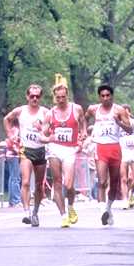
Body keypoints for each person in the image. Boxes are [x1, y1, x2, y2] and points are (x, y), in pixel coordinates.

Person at [3, 84, 51, 226]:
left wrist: (42, 129)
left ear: (40, 97)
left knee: (38, 185)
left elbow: (51, 129)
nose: (34, 99)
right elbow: (6, 119)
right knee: (25, 181)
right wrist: (10, 134)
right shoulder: (20, 111)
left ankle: (35, 212)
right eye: (32, 96)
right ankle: (26, 212)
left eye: (37, 96)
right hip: (26, 150)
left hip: (41, 150)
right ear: (27, 97)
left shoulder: (46, 112)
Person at [86, 84, 132, 226]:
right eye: (102, 96)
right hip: (101, 147)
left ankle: (108, 208)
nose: (105, 98)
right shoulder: (93, 109)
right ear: (99, 97)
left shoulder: (119, 110)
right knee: (102, 181)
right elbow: (84, 119)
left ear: (112, 96)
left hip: (115, 148)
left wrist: (118, 122)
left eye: (108, 95)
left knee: (114, 182)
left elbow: (130, 129)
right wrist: (83, 132)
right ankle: (102, 212)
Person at [45, 83, 87, 228]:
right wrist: (44, 135)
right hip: (55, 149)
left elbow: (82, 123)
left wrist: (83, 135)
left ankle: (70, 207)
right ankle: (63, 216)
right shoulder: (50, 113)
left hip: (70, 149)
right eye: (58, 97)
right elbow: (44, 133)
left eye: (63, 97)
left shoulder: (76, 109)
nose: (61, 100)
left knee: (68, 184)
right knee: (57, 182)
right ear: (54, 97)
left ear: (67, 95)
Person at [118, 105, 134, 209]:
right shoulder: (118, 124)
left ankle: (131, 194)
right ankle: (125, 200)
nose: (124, 114)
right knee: (123, 179)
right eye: (122, 112)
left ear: (129, 112)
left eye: (126, 112)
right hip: (123, 152)